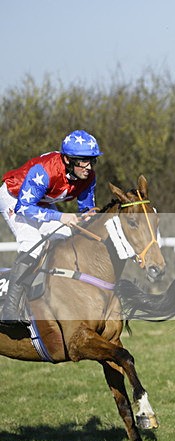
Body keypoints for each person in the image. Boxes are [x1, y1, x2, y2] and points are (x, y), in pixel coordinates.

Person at [0, 129, 101, 327]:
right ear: (68, 160)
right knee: (32, 242)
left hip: (41, 201)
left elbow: (87, 210)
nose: (89, 167)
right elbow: (23, 208)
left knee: (64, 236)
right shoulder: (44, 171)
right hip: (14, 197)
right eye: (83, 161)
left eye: (92, 160)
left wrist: (90, 219)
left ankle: (50, 295)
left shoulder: (88, 177)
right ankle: (9, 309)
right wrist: (61, 216)